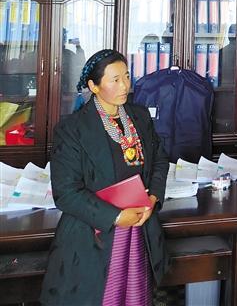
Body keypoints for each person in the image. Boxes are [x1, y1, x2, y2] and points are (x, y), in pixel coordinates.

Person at [40, 49, 169, 306]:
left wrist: (153, 198)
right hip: (95, 234)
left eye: (127, 76)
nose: (125, 85)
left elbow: (160, 161)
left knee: (136, 295)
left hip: (139, 228)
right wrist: (116, 217)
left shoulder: (140, 117)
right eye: (115, 79)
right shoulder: (72, 129)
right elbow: (66, 192)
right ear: (93, 86)